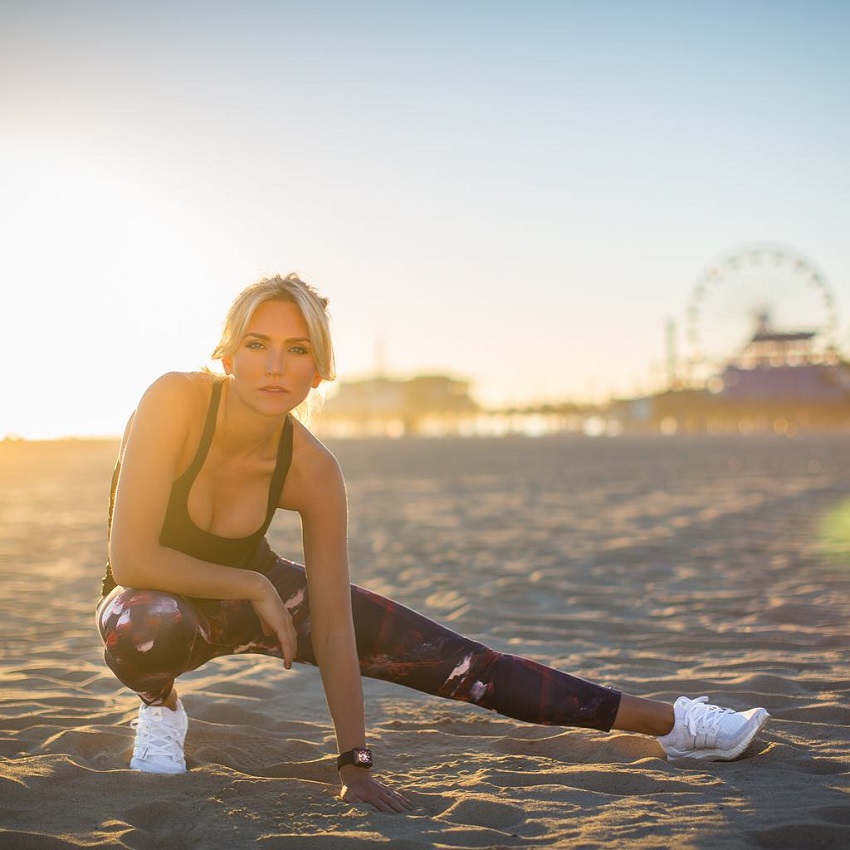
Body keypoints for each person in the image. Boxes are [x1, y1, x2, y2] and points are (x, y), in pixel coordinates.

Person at [97, 273, 770, 813]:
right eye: (257, 343)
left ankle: (675, 724)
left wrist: (353, 762)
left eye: (297, 349)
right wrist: (252, 584)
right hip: (154, 602)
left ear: (319, 370)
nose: (275, 365)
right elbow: (131, 558)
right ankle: (160, 706)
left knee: (465, 666)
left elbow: (333, 625)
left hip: (264, 598)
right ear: (227, 353)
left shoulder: (312, 469)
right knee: (146, 623)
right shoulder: (175, 402)